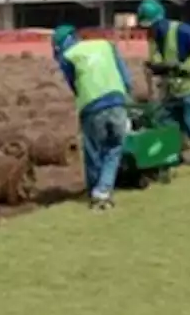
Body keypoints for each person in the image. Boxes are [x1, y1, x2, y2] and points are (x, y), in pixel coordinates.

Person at [52, 25, 134, 210]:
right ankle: (103, 190)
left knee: (93, 151)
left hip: (92, 107)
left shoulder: (67, 57)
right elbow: (126, 77)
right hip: (117, 102)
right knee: (113, 148)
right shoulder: (105, 45)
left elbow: (74, 85)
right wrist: (127, 95)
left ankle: (95, 192)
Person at [136, 0, 190, 166]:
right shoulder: (152, 37)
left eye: (151, 26)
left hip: (188, 84)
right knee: (166, 123)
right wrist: (153, 67)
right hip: (169, 86)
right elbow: (158, 60)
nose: (149, 30)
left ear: (160, 20)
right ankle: (173, 156)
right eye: (147, 27)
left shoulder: (182, 30)